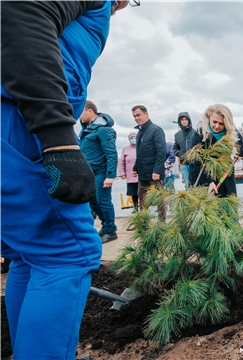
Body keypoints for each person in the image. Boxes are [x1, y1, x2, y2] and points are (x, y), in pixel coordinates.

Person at [0, 1, 129, 358]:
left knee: (30, 254)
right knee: (68, 253)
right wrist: (58, 138)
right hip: (19, 123)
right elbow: (20, 11)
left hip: (16, 117)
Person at [79, 100, 118, 243]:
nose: (78, 116)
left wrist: (110, 176)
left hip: (101, 171)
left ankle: (110, 231)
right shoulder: (86, 129)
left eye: (81, 112)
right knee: (92, 201)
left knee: (103, 201)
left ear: (90, 110)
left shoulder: (103, 129)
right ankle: (105, 225)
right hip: (89, 172)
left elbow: (111, 154)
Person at [189, 104, 243, 197]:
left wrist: (240, 154)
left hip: (225, 174)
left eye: (221, 123)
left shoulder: (230, 131)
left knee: (227, 204)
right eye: (214, 121)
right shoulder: (200, 133)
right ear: (208, 118)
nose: (216, 126)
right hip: (203, 175)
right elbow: (196, 162)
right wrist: (209, 182)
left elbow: (239, 140)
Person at [131, 105, 167, 220]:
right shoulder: (139, 133)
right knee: (142, 199)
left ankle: (162, 222)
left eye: (138, 115)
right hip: (142, 173)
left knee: (159, 199)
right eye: (134, 116)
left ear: (146, 114)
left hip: (154, 173)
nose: (136, 118)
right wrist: (135, 168)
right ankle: (143, 222)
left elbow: (161, 152)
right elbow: (139, 153)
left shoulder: (156, 130)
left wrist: (156, 170)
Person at [173, 111, 196, 190]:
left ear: (189, 120)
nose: (184, 121)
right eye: (182, 120)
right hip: (184, 164)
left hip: (194, 163)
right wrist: (179, 153)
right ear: (180, 121)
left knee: (195, 184)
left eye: (186, 119)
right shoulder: (177, 135)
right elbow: (175, 147)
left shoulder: (195, 133)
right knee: (187, 185)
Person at [119, 132, 139, 216]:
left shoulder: (140, 147)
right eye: (131, 138)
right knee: (133, 192)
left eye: (135, 137)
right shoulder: (125, 149)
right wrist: (122, 173)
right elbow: (121, 162)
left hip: (140, 174)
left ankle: (144, 208)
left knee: (142, 192)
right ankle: (135, 208)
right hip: (130, 175)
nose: (133, 139)